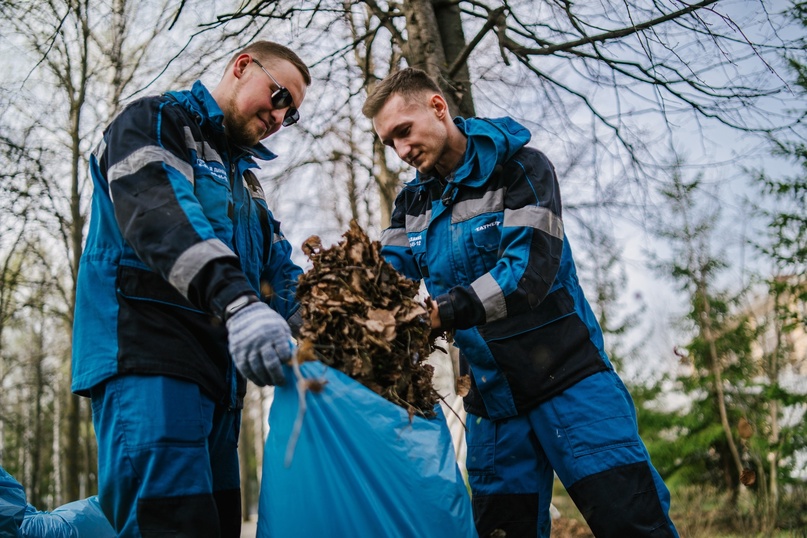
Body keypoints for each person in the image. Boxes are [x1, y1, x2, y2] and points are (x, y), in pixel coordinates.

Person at [363, 67, 679, 538]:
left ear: (437, 107)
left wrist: (441, 313)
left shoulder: (522, 168)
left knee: (633, 524)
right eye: (390, 143)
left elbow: (528, 275)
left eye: (404, 132)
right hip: (493, 406)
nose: (401, 150)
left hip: (571, 384)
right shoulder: (411, 204)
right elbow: (387, 279)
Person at [71, 41, 310, 537]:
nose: (281, 117)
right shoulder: (154, 121)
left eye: (293, 115)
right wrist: (239, 303)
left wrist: (341, 332)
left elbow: (279, 273)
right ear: (243, 66)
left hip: (220, 386)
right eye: (281, 95)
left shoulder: (246, 186)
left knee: (217, 525)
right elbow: (161, 216)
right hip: (149, 363)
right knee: (170, 526)